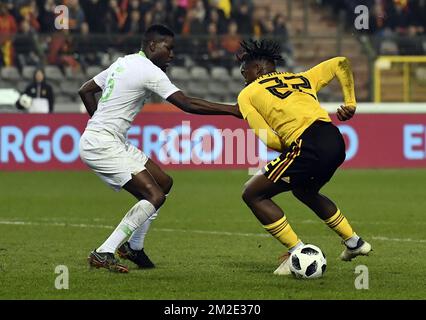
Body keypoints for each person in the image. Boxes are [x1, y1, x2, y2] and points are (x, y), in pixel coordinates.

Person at [78, 24, 240, 273]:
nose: (172, 55)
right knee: (154, 196)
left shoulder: (124, 62)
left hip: (108, 139)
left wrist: (97, 123)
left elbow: (86, 90)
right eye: (169, 48)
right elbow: (186, 104)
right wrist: (232, 110)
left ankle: (134, 247)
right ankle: (104, 251)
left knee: (163, 183)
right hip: (103, 143)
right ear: (153, 46)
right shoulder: (148, 70)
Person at [236, 39, 372, 275]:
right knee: (305, 191)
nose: (242, 76)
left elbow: (268, 139)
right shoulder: (303, 78)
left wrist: (291, 150)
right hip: (335, 140)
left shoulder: (248, 93)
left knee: (253, 193)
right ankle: (355, 243)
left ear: (257, 69)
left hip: (307, 144)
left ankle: (297, 252)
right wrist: (350, 103)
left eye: (244, 70)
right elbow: (341, 63)